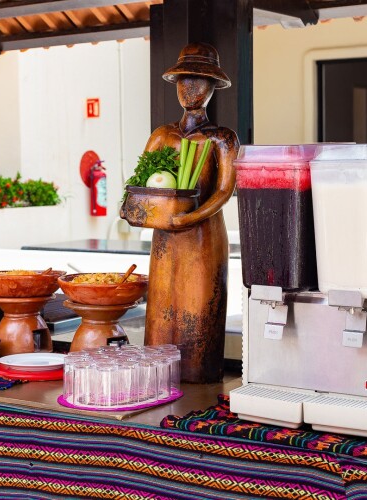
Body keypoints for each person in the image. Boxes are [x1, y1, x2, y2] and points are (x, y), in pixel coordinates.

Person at [142, 42, 238, 383]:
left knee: (198, 306)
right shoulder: (162, 135)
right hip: (166, 235)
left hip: (202, 236)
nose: (190, 88)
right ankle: (157, 375)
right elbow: (141, 183)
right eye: (184, 81)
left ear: (213, 87)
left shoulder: (222, 138)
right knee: (161, 306)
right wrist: (136, 209)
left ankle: (199, 379)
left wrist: (190, 218)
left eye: (198, 81)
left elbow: (224, 191)